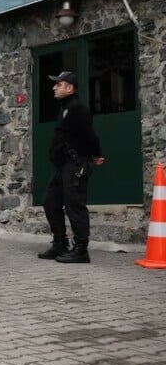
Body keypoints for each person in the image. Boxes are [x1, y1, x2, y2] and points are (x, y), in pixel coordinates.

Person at [39, 71, 104, 263]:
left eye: (58, 84)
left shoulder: (78, 108)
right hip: (62, 165)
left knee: (74, 205)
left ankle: (81, 250)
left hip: (75, 164)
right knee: (50, 202)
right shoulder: (65, 108)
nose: (54, 87)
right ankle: (60, 243)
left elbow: (90, 135)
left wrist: (95, 154)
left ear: (69, 88)